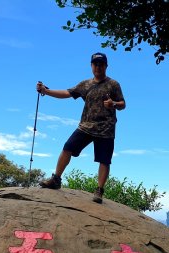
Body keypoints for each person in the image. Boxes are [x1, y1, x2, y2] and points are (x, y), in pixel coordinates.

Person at [37, 52, 126, 203]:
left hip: (106, 128)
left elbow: (123, 104)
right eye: (95, 64)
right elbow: (67, 93)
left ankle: (99, 190)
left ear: (106, 66)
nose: (98, 67)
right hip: (86, 126)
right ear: (91, 66)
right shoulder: (85, 84)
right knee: (67, 147)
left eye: (101, 64)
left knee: (104, 160)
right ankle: (56, 179)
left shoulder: (113, 84)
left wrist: (114, 104)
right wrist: (46, 91)